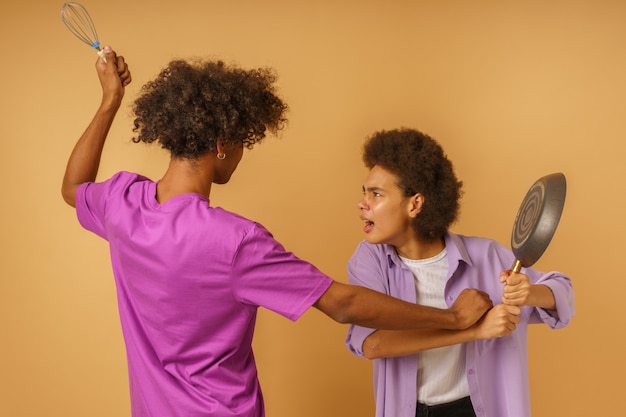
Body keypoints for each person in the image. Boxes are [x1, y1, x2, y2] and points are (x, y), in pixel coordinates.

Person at [60, 47, 493, 417]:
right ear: (222, 144)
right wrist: (453, 318)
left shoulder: (121, 204)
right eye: (243, 142)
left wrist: (110, 101)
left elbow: (73, 188)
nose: (241, 154)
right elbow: (341, 303)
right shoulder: (234, 242)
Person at [345, 128, 575, 417]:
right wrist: (473, 329)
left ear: (415, 204)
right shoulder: (370, 260)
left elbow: (563, 292)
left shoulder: (486, 256)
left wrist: (530, 292)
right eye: (364, 192)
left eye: (376, 194)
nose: (362, 203)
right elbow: (373, 343)